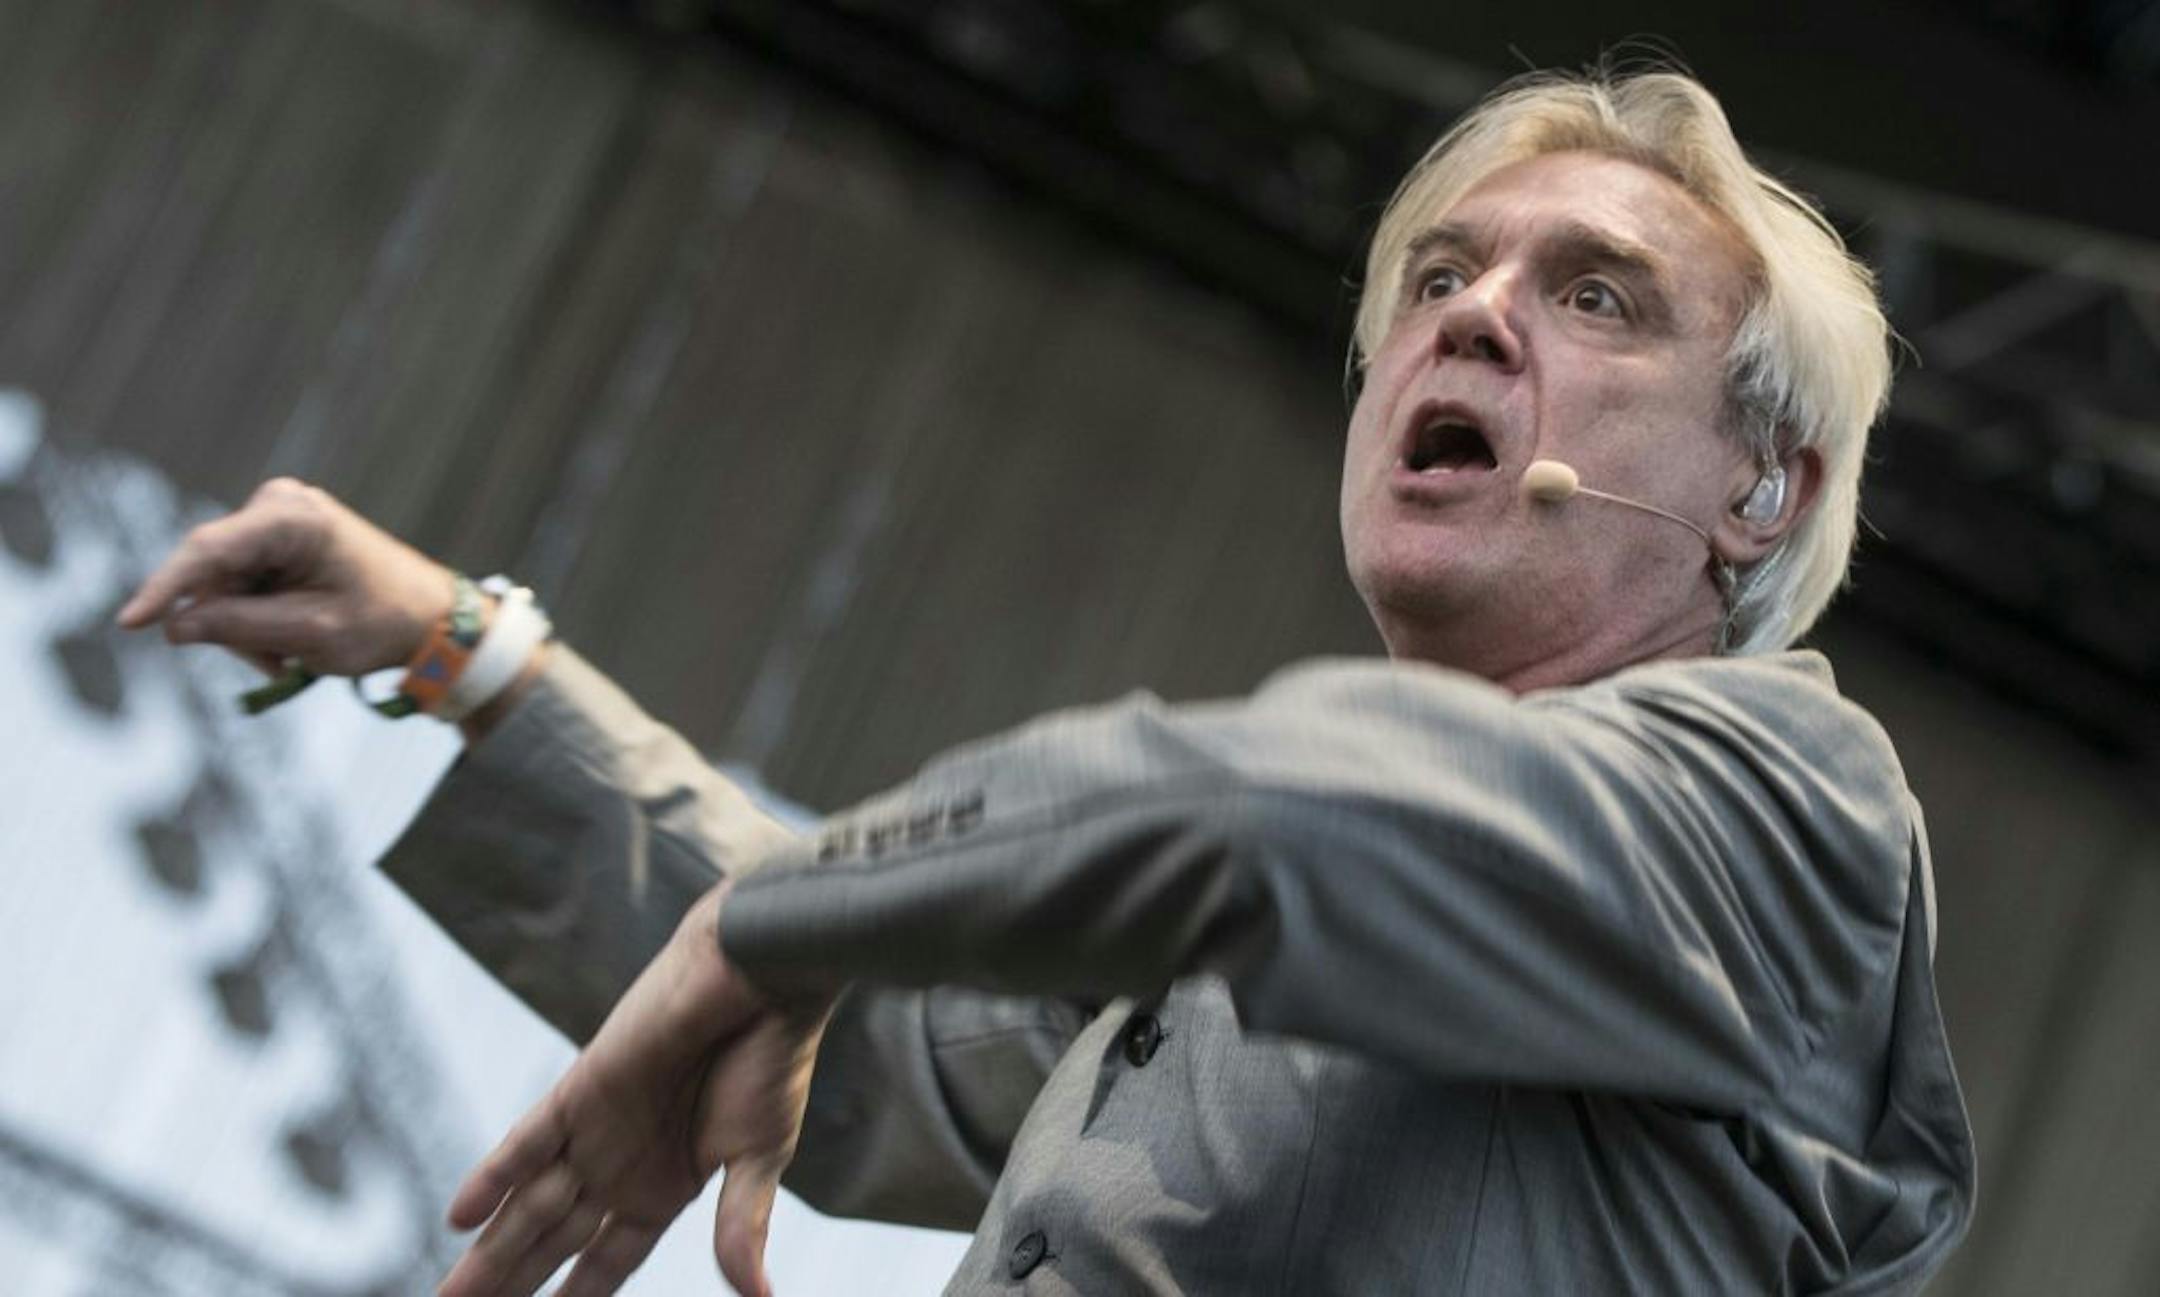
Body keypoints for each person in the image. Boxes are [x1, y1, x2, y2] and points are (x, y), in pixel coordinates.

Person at [119, 67, 1974, 1295]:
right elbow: (862, 1041)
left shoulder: (1784, 807)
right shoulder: (1248, 920)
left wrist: (801, 923)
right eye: (1436, 276)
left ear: (1762, 487)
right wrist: (464, 649)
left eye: (1595, 295)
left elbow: (1281, 814)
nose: (1470, 314)